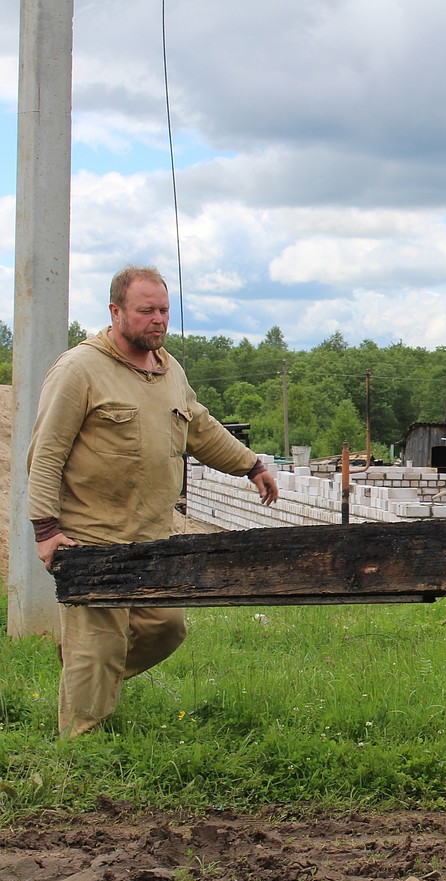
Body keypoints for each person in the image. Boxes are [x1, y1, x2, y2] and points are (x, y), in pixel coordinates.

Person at [27, 265, 279, 738]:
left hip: (155, 538)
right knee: (96, 650)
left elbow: (200, 428)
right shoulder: (79, 369)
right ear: (116, 311)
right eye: (146, 311)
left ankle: (88, 670)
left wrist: (252, 465)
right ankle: (79, 751)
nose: (158, 320)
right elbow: (46, 453)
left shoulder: (169, 369)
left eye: (164, 310)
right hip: (91, 539)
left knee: (167, 627)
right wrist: (45, 531)